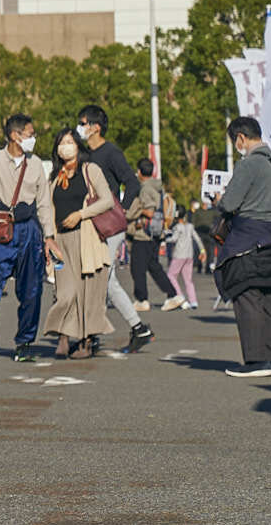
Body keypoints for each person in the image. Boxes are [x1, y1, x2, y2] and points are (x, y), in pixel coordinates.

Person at [212, 116, 271, 378]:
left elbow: (230, 203)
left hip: (248, 238)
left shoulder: (249, 164)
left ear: (240, 138)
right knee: (269, 298)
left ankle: (256, 360)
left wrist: (219, 199)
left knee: (246, 295)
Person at [0, 114, 52, 363]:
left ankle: (25, 342)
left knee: (31, 289)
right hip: (0, 230)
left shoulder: (36, 164)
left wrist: (49, 236)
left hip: (29, 230)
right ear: (16, 135)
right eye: (30, 134)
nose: (33, 138)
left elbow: (45, 204)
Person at [75, 105, 153, 353]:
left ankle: (94, 334)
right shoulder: (84, 153)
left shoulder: (111, 153)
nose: (80, 127)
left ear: (96, 127)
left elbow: (132, 183)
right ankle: (138, 328)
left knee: (102, 278)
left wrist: (122, 211)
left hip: (110, 225)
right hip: (90, 225)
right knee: (104, 280)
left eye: (83, 123)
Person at [42, 128, 116, 359]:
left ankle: (86, 341)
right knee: (64, 292)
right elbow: (46, 209)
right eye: (61, 143)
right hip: (60, 243)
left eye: (69, 142)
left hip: (87, 241)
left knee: (89, 292)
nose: (65, 146)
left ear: (78, 146)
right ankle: (63, 336)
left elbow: (107, 201)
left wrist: (81, 214)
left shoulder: (89, 170)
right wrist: (48, 237)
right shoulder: (54, 177)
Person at [126, 157, 177, 311]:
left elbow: (149, 211)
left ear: (140, 172)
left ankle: (142, 299)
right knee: (153, 265)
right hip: (155, 233)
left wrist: (136, 211)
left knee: (137, 267)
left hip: (144, 233)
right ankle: (172, 295)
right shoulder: (158, 188)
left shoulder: (145, 189)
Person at [164, 208, 203, 312]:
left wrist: (164, 238)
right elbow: (197, 238)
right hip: (189, 255)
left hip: (179, 255)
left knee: (171, 276)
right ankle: (193, 301)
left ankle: (180, 297)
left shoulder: (177, 227)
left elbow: (174, 239)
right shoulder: (190, 226)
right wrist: (202, 251)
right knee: (188, 279)